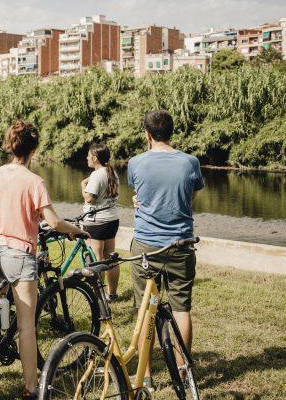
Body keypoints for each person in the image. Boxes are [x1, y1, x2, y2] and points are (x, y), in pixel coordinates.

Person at [0, 120, 90, 400]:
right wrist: (75, 229)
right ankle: (31, 385)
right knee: (26, 325)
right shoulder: (34, 181)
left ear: (10, 144)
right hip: (18, 254)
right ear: (34, 149)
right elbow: (53, 221)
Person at [127, 109, 204, 383]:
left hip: (146, 245)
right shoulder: (190, 162)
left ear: (147, 134)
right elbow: (191, 196)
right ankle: (183, 371)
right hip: (181, 244)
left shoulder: (136, 162)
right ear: (172, 132)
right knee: (181, 308)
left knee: (145, 307)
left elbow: (139, 193)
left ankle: (145, 374)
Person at [81, 142, 121, 300]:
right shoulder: (112, 172)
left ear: (95, 158)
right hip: (112, 220)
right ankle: (112, 294)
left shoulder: (97, 175)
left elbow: (89, 198)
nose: (86, 158)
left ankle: (99, 297)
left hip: (97, 222)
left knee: (97, 258)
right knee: (111, 258)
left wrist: (82, 185)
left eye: (88, 155)